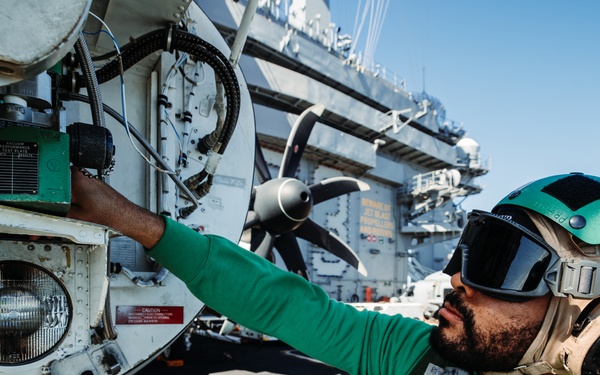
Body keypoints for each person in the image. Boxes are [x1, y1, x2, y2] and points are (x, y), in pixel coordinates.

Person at [67, 168, 600, 374]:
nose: (456, 280)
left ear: (584, 307)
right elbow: (286, 305)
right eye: (470, 255)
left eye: (502, 265)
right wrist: (137, 224)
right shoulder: (420, 356)